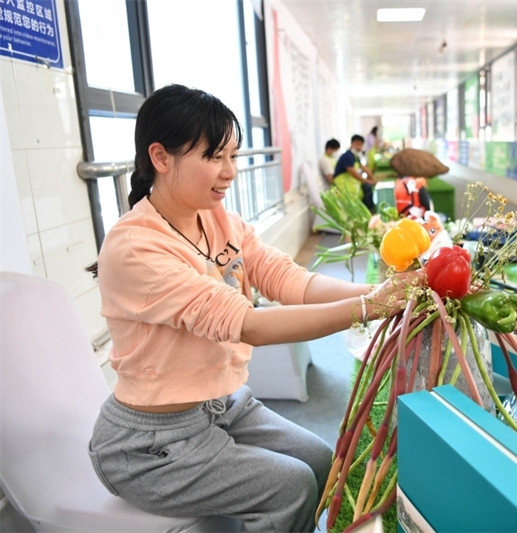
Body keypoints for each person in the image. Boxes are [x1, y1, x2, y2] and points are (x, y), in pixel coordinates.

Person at [85, 84, 419, 533]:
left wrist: (384, 294)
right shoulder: (134, 247)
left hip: (223, 405)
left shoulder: (220, 219)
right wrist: (368, 307)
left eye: (234, 157)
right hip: (150, 444)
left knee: (321, 459)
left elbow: (290, 281)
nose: (229, 172)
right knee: (292, 485)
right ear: (161, 158)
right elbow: (248, 325)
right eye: (213, 157)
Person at [333, 134, 378, 212]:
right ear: (352, 143)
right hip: (345, 190)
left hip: (353, 188)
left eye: (361, 145)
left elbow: (364, 168)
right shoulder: (347, 157)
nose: (359, 147)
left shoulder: (355, 157)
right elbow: (354, 174)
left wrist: (373, 179)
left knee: (368, 188)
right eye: (357, 144)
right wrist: (369, 181)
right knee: (367, 187)